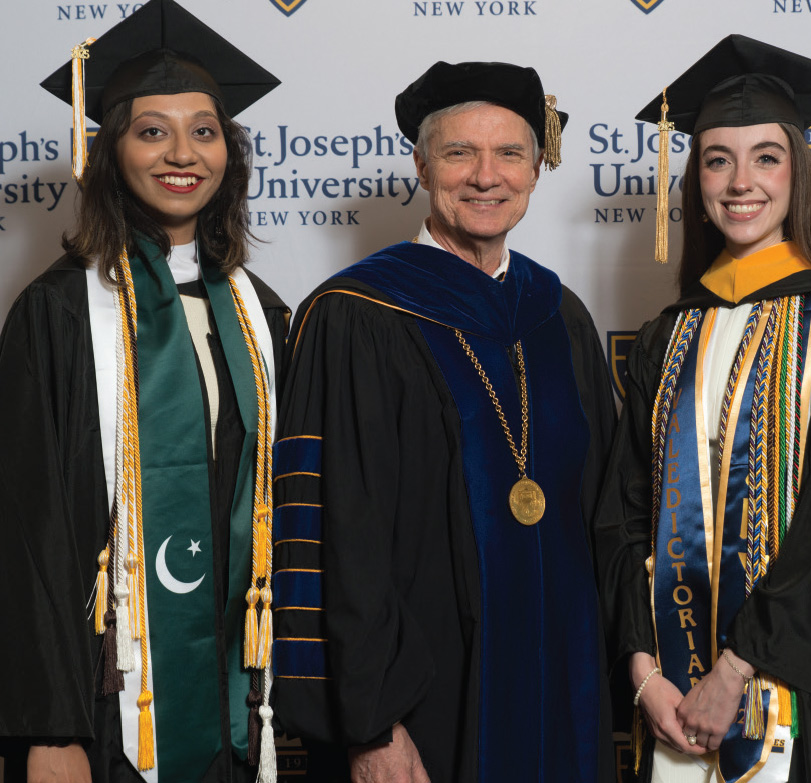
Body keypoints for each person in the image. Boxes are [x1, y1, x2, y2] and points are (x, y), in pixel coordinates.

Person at [272, 61, 617, 783]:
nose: (486, 176)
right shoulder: (356, 316)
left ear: (536, 169)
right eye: (461, 152)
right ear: (423, 167)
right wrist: (373, 725)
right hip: (420, 709)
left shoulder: (560, 317)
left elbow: (602, 519)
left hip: (562, 688)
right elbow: (337, 534)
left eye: (510, 153)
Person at [595, 34, 811, 783]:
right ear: (694, 179)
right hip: (674, 706)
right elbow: (623, 512)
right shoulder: (668, 336)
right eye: (717, 159)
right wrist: (644, 669)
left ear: (800, 174)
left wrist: (735, 669)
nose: (741, 182)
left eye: (766, 157)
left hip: (806, 703)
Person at [0, 1, 289, 781]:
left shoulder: (260, 315)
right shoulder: (59, 314)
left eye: (204, 131)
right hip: (108, 701)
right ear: (112, 153)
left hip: (238, 694)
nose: (182, 153)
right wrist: (48, 728)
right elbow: (27, 532)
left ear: (228, 152)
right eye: (152, 131)